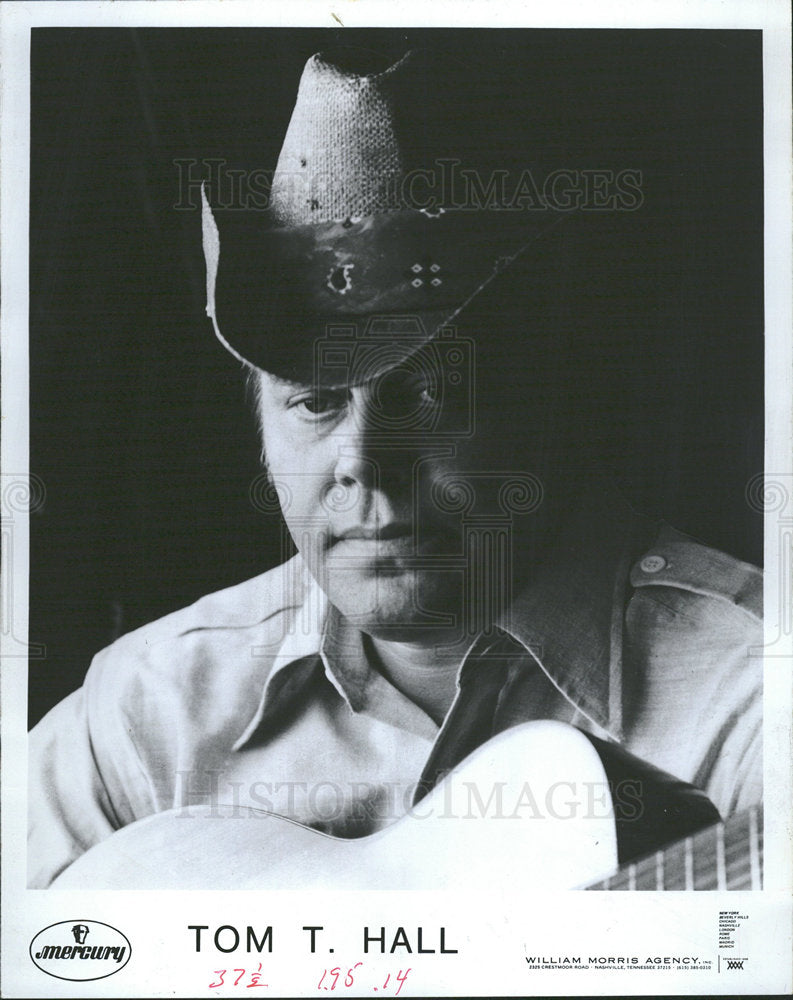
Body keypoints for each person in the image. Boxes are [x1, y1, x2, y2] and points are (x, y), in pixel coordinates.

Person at [28, 47, 762, 889]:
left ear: (547, 398)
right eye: (313, 403)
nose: (363, 467)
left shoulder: (751, 701)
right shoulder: (149, 711)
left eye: (422, 398)